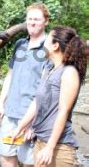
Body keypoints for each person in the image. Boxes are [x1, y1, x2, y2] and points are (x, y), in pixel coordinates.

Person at [11, 26, 89, 167]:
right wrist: (20, 127)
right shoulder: (48, 68)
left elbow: (63, 112)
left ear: (55, 46)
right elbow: (36, 102)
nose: (43, 44)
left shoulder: (69, 72)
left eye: (47, 40)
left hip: (59, 146)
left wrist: (50, 148)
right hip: (40, 140)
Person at [0, 2, 50, 167]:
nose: (32, 22)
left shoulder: (49, 48)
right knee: (6, 156)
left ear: (46, 21)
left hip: (31, 117)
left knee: (29, 162)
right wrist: (0, 104)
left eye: (37, 19)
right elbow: (10, 76)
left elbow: (47, 90)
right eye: (29, 19)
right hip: (10, 114)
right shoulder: (20, 45)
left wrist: (35, 122)